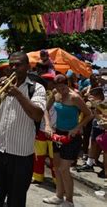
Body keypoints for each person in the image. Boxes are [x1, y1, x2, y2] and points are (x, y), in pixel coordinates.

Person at [0, 52, 46, 207]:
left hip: (21, 156)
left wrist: (18, 94)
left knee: (16, 201)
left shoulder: (36, 88)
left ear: (28, 67)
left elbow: (37, 115)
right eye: (12, 65)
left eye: (18, 65)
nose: (14, 68)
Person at [42, 74, 92, 207]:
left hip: (72, 136)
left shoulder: (74, 97)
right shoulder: (55, 93)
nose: (60, 91)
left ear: (68, 84)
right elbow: (45, 109)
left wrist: (77, 128)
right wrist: (47, 124)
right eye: (58, 88)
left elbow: (89, 114)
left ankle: (69, 200)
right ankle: (58, 196)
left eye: (63, 88)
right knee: (56, 168)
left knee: (64, 169)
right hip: (58, 133)